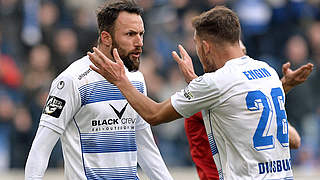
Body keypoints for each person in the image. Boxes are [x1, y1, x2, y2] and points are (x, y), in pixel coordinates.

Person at [88, 6, 314, 179]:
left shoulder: (215, 83)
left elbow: (154, 114)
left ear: (206, 46)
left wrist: (119, 79)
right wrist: (285, 86)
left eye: (197, 45)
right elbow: (241, 103)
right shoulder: (266, 71)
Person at [25, 0, 173, 180]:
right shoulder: (71, 80)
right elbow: (40, 148)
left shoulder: (136, 79)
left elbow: (146, 148)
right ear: (106, 38)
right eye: (130, 34)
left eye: (141, 34)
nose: (139, 42)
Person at [185, 41, 310, 180]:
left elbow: (294, 140)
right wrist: (281, 87)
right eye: (238, 54)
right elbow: (293, 140)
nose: (243, 60)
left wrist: (275, 92)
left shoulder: (222, 95)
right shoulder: (211, 96)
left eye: (244, 53)